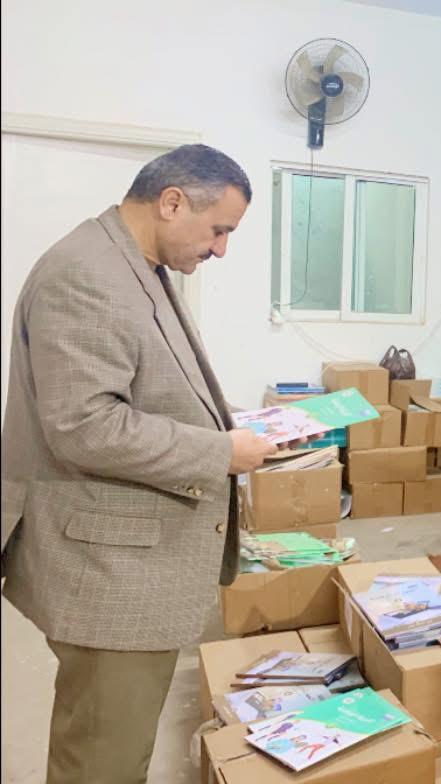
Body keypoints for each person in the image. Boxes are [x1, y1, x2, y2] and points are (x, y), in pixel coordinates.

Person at [1, 144, 282, 783]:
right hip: (109, 570)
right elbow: (85, 426)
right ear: (172, 202)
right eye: (219, 230)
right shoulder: (87, 275)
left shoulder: (134, 264)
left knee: (114, 747)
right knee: (102, 760)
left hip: (130, 559)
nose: (221, 250)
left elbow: (147, 385)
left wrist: (225, 421)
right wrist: (221, 451)